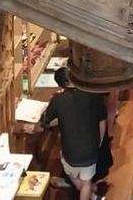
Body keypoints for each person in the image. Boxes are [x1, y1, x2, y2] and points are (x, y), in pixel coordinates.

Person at [41, 67, 107, 200]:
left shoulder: (58, 100)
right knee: (87, 183)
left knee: (71, 171)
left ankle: (89, 192)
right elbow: (102, 120)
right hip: (91, 149)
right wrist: (98, 142)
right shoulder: (93, 94)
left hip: (70, 151)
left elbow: (46, 121)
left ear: (61, 84)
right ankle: (91, 194)